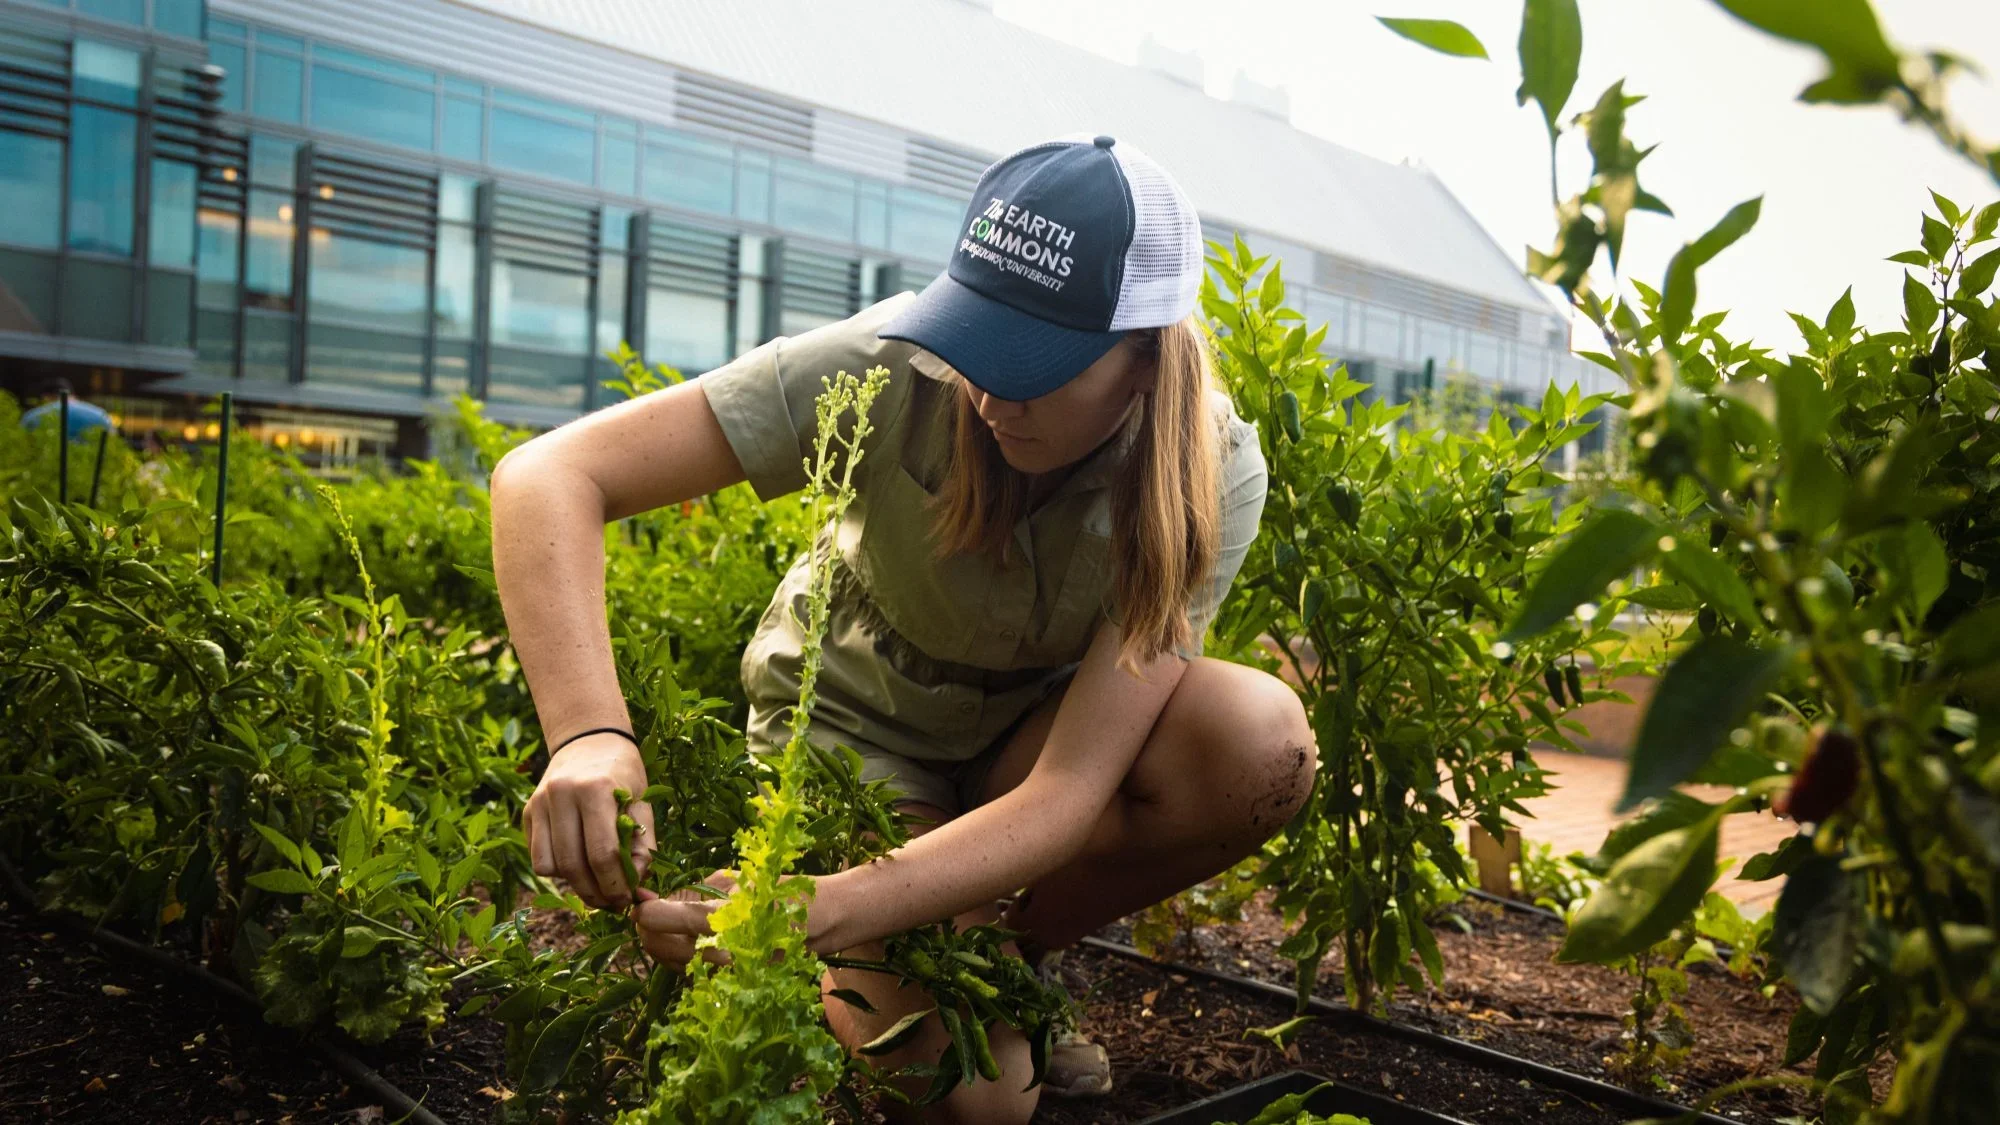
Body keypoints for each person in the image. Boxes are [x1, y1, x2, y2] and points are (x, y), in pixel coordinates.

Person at [491, 133, 1315, 1124]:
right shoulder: (892, 362)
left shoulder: (1207, 472)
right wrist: (588, 735)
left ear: (1143, 358)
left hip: (1027, 751)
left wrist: (821, 905)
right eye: (978, 343)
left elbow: (1064, 794)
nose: (987, 392)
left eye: (1033, 364)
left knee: (1257, 743)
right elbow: (548, 475)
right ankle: (940, 959)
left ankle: (1006, 957)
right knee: (977, 1107)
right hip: (860, 731)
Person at [20, 378, 114, 442]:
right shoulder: (101, 414)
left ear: (46, 397)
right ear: (73, 395)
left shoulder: (32, 416)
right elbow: (113, 444)